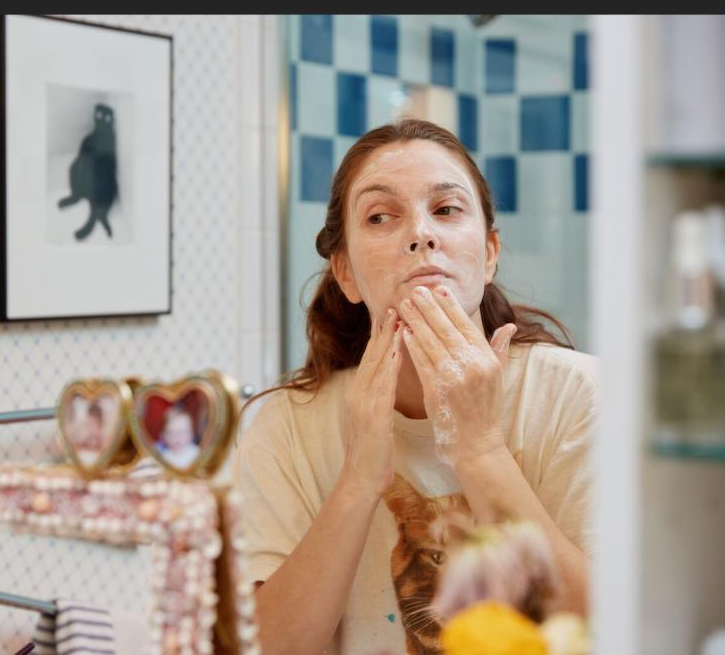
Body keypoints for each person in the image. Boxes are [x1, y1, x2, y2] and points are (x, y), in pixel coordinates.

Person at [233, 119, 596, 655]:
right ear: (346, 273)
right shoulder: (285, 427)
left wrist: (480, 448)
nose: (421, 235)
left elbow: (619, 630)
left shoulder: (580, 396)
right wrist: (358, 480)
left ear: (490, 253)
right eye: (381, 216)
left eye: (447, 210)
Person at [158, 405, 200, 469]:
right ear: (163, 436)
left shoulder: (197, 454)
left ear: (191, 433)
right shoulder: (163, 457)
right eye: (171, 433)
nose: (177, 437)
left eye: (182, 432)